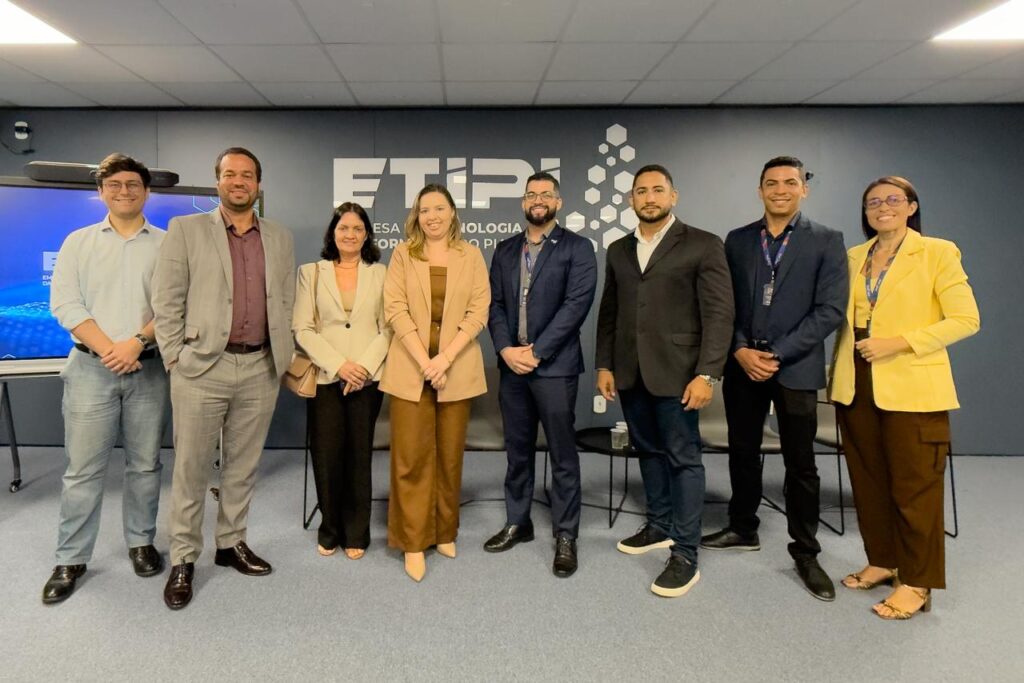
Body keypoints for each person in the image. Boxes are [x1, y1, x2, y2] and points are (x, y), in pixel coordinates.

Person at [152, 147, 296, 610]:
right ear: (217, 181)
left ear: (258, 184)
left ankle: (230, 543)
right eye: (230, 174)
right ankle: (183, 558)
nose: (239, 181)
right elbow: (166, 300)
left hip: (260, 367)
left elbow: (285, 299)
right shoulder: (186, 230)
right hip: (202, 368)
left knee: (242, 465)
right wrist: (174, 357)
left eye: (247, 175)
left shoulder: (279, 236)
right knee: (191, 468)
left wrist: (283, 354)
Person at [830, 176, 979, 620]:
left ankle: (917, 581)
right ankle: (882, 560)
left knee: (916, 489)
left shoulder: (937, 252)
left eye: (894, 199)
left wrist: (900, 343)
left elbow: (966, 319)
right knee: (869, 481)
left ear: (912, 207)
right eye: (873, 202)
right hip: (856, 381)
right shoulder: (854, 256)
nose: (883, 207)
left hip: (911, 381)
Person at [701, 156, 848, 602]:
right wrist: (740, 348)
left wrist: (778, 352)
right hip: (744, 364)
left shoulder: (826, 240)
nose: (780, 189)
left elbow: (830, 310)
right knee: (742, 451)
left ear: (804, 188)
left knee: (801, 464)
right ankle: (743, 527)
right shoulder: (739, 240)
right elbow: (725, 303)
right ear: (760, 189)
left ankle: (806, 552)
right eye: (771, 183)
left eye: (789, 182)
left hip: (794, 367)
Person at [596, 164, 734, 598]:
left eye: (658, 190)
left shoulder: (703, 244)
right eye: (641, 191)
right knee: (649, 451)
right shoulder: (619, 249)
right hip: (630, 371)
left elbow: (719, 314)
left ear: (673, 196)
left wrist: (707, 373)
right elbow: (610, 311)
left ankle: (686, 553)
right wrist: (604, 365)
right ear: (631, 200)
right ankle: (659, 524)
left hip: (680, 373)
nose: (649, 197)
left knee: (683, 459)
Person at [43, 153, 169, 604]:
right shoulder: (78, 242)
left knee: (145, 465)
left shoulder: (167, 244)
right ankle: (71, 558)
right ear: (101, 192)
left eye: (133, 184)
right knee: (82, 471)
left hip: (149, 367)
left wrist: (135, 343)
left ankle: (141, 542)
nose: (124, 191)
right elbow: (66, 304)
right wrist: (109, 350)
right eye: (114, 185)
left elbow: (175, 305)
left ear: (146, 191)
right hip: (90, 371)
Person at [484, 171, 597, 578]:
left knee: (562, 454)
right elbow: (494, 305)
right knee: (517, 450)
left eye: (546, 194)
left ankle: (566, 534)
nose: (538, 200)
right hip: (512, 367)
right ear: (523, 202)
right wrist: (505, 349)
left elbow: (576, 306)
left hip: (554, 367)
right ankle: (519, 521)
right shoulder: (505, 250)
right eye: (531, 194)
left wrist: (537, 352)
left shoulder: (578, 248)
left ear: (558, 202)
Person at [379, 184, 489, 583]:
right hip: (411, 367)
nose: (432, 216)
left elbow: (478, 311)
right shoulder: (403, 254)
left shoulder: (470, 255)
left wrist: (444, 358)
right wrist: (426, 361)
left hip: (455, 367)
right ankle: (412, 540)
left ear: (452, 212)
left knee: (449, 455)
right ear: (416, 216)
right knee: (410, 456)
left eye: (439, 208)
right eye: (424, 210)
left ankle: (444, 531)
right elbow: (395, 309)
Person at [293, 202, 390, 560]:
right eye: (343, 228)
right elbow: (302, 328)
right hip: (325, 376)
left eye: (357, 229)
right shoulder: (311, 272)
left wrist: (361, 367)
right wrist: (339, 366)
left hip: (367, 378)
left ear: (367, 236)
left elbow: (389, 328)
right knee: (327, 454)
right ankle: (330, 528)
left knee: (359, 455)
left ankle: (357, 531)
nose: (350, 234)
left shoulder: (381, 274)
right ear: (332, 233)